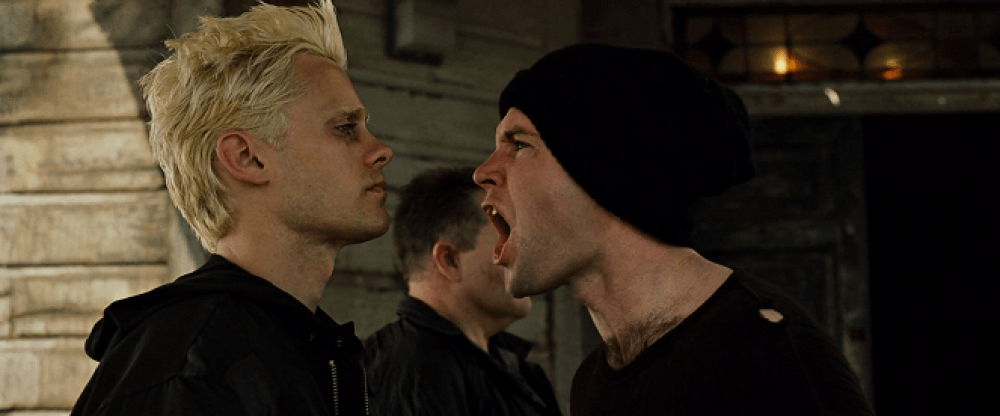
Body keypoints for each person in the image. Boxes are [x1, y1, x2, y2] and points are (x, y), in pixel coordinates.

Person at [473, 44, 876, 416]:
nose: (483, 172)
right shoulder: (593, 379)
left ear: (604, 172)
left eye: (520, 144)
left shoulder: (764, 354)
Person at [71, 1, 392, 415]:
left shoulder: (309, 350)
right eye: (346, 128)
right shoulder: (191, 366)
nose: (381, 151)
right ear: (247, 158)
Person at [363, 167, 562, 416]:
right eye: (509, 236)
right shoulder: (415, 371)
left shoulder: (514, 369)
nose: (531, 254)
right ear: (449, 260)